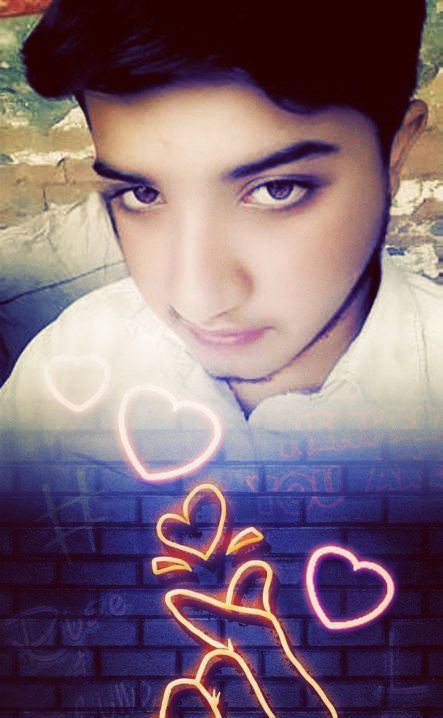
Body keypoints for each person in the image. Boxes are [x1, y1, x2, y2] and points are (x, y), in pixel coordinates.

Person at [1, 0, 442, 435]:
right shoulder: (66, 363)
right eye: (144, 194)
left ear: (394, 153)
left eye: (276, 190)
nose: (196, 302)